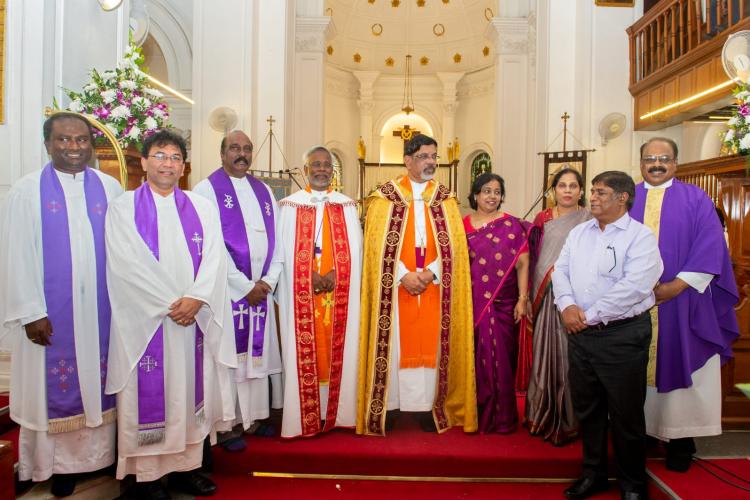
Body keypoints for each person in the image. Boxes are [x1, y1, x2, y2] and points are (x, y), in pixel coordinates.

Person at [105, 130, 235, 499]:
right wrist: (172, 304)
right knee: (150, 398)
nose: (168, 163)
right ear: (144, 162)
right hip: (146, 325)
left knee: (189, 397)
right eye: (160, 156)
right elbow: (125, 266)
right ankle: (145, 478)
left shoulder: (201, 207)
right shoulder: (123, 208)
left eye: (175, 157)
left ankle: (185, 470)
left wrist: (196, 298)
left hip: (192, 323)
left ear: (184, 166)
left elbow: (215, 258)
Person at [0, 112, 123, 496]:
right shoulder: (27, 191)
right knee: (54, 388)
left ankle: (102, 458)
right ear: (48, 144)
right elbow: (17, 254)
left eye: (81, 140)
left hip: (101, 312)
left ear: (91, 145)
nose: (73, 147)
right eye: (64, 140)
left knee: (101, 382)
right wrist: (31, 312)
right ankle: (58, 467)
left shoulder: (109, 188)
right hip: (50, 315)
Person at [630, 137, 740, 472]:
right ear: (640, 163)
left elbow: (711, 246)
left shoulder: (696, 198)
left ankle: (681, 440)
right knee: (632, 368)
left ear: (676, 163)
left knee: (682, 359)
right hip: (633, 304)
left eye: (664, 158)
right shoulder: (627, 197)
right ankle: (642, 433)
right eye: (650, 158)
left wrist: (676, 286)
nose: (657, 164)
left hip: (685, 301)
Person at [357, 134, 477, 436]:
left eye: (434, 156)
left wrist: (432, 273)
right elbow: (375, 246)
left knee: (433, 345)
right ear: (407, 160)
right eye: (424, 156)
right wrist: (402, 275)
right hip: (396, 288)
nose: (430, 162)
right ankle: (391, 405)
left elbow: (456, 248)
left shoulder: (446, 199)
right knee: (394, 344)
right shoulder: (384, 198)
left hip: (435, 287)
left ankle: (428, 407)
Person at [553, 171, 662, 500]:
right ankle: (594, 474)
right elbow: (561, 271)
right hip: (581, 335)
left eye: (600, 192)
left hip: (622, 335)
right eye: (593, 191)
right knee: (589, 411)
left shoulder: (640, 237)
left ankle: (633, 484)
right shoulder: (579, 233)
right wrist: (567, 305)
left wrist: (587, 316)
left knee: (626, 414)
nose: (593, 197)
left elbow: (635, 287)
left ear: (622, 198)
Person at [193, 131, 283, 450]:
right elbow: (210, 247)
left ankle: (252, 418)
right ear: (222, 153)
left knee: (255, 360)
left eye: (246, 148)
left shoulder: (264, 191)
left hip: (260, 293)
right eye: (234, 148)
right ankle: (227, 425)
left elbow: (279, 242)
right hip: (228, 295)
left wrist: (269, 281)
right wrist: (244, 287)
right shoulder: (206, 190)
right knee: (229, 360)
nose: (241, 153)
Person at [276, 146, 362, 438]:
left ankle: (340, 413)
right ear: (305, 170)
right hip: (303, 290)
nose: (322, 169)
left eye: (327, 165)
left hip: (338, 291)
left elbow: (357, 252)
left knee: (338, 346)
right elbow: (282, 253)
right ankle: (304, 415)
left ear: (332, 171)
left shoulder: (347, 206)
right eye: (316, 164)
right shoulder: (290, 206)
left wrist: (337, 274)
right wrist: (306, 275)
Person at [525, 168, 591, 446]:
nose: (567, 190)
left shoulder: (590, 218)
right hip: (546, 294)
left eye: (573, 186)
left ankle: (571, 418)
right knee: (545, 354)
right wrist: (528, 294)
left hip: (577, 298)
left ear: (581, 191)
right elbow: (532, 258)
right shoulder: (543, 219)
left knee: (572, 359)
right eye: (562, 185)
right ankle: (541, 413)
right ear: (553, 191)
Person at [463, 173, 529, 434]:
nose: (492, 196)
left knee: (502, 359)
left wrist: (522, 299)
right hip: (473, 302)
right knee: (476, 358)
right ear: (476, 195)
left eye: (497, 192)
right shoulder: (462, 225)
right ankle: (477, 413)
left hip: (504, 301)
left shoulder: (511, 225)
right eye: (486, 191)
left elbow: (523, 263)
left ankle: (503, 416)